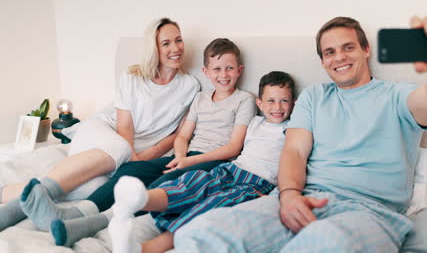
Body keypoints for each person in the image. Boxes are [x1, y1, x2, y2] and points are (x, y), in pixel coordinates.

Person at [165, 16, 427, 252]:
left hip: (370, 212)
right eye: (329, 52)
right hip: (300, 199)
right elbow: (294, 151)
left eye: (348, 47)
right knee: (200, 233)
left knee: (324, 243)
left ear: (365, 50)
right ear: (322, 61)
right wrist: (289, 195)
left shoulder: (396, 95)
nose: (339, 57)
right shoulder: (313, 97)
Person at [19, 38, 257, 234]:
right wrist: (179, 158)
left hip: (214, 161)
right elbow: (182, 136)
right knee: (131, 171)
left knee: (160, 185)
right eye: (217, 69)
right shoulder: (200, 98)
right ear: (206, 72)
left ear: (239, 70)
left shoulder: (243, 99)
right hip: (186, 156)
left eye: (229, 68)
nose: (223, 74)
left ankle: (94, 223)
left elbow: (234, 147)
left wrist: (188, 162)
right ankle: (78, 212)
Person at [0, 17, 200, 232]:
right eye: (166, 43)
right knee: (120, 147)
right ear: (154, 48)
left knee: (95, 188)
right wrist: (132, 159)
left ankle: (10, 197)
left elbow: (176, 135)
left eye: (178, 40)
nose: (176, 48)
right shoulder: (132, 77)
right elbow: (125, 127)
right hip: (105, 132)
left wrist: (141, 159)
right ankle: (16, 211)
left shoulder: (190, 86)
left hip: (135, 152)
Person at [108, 71, 296, 253]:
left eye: (284, 101)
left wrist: (275, 196)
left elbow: (294, 166)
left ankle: (146, 249)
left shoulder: (293, 129)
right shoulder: (255, 122)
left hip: (257, 183)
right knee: (193, 181)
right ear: (260, 104)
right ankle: (141, 200)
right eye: (271, 101)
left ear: (294, 103)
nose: (277, 107)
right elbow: (236, 145)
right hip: (232, 168)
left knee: (211, 205)